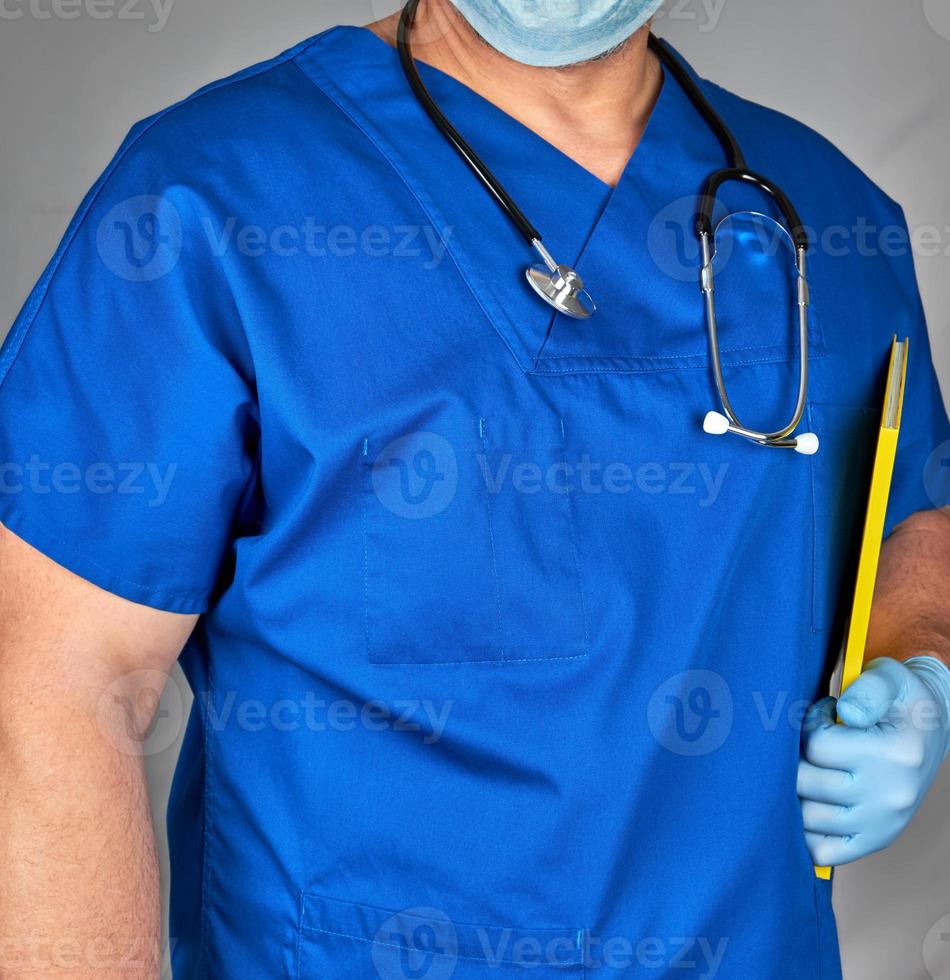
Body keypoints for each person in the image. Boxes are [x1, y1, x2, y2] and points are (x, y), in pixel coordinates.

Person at [1, 1, 948, 977]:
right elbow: (54, 684)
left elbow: (914, 500)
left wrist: (918, 662)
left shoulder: (826, 213)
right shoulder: (213, 196)